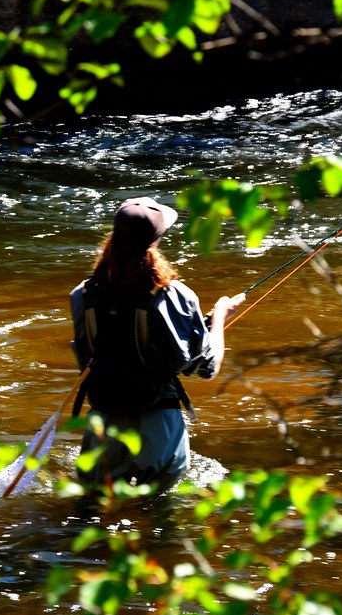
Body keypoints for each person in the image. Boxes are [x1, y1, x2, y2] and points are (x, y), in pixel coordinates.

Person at [69, 196, 245, 492]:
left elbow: (93, 356)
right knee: (160, 512)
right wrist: (219, 318)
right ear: (155, 242)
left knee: (94, 508)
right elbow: (206, 368)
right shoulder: (174, 295)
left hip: (103, 420)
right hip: (157, 422)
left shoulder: (83, 294)